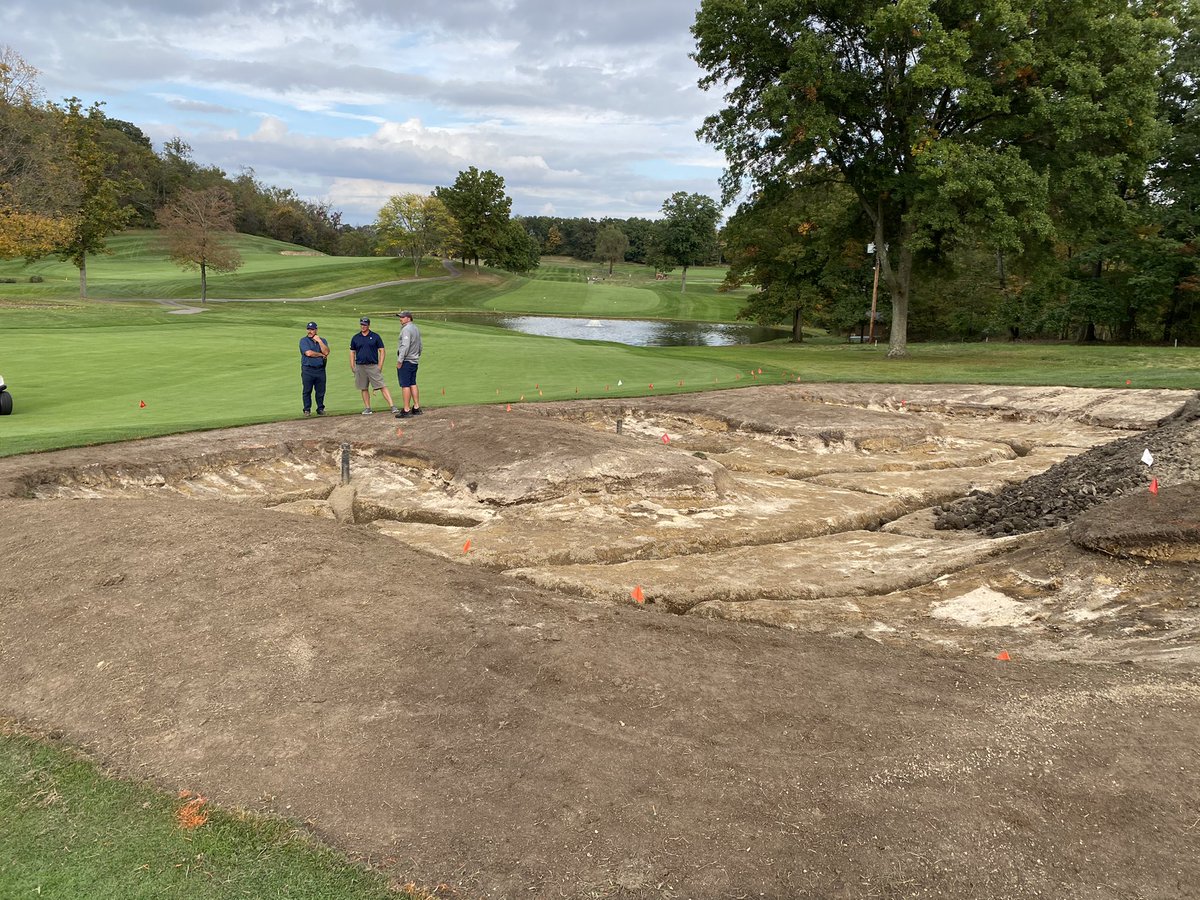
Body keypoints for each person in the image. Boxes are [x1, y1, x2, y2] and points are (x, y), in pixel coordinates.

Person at [349, 316, 400, 415]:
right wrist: (352, 366)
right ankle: (368, 408)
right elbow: (352, 352)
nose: (363, 326)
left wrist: (380, 365)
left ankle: (392, 406)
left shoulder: (375, 336)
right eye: (362, 324)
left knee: (382, 386)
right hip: (360, 366)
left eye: (365, 324)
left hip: (373, 365)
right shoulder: (355, 337)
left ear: (368, 325)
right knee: (363, 388)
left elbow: (382, 351)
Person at [394, 310, 423, 418]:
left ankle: (406, 409)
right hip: (414, 360)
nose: (400, 318)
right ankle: (416, 407)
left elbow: (405, 346)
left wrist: (400, 360)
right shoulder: (415, 328)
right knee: (412, 383)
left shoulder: (406, 329)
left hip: (406, 361)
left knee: (405, 384)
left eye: (402, 317)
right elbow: (420, 345)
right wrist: (416, 356)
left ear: (408, 318)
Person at [299, 321, 330, 417]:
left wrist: (319, 341)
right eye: (309, 329)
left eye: (312, 329)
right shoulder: (303, 341)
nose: (310, 331)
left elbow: (327, 352)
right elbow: (309, 353)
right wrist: (321, 354)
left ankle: (320, 408)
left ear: (316, 330)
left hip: (320, 369)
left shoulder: (323, 340)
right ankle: (307, 409)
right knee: (307, 390)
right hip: (308, 369)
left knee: (320, 391)